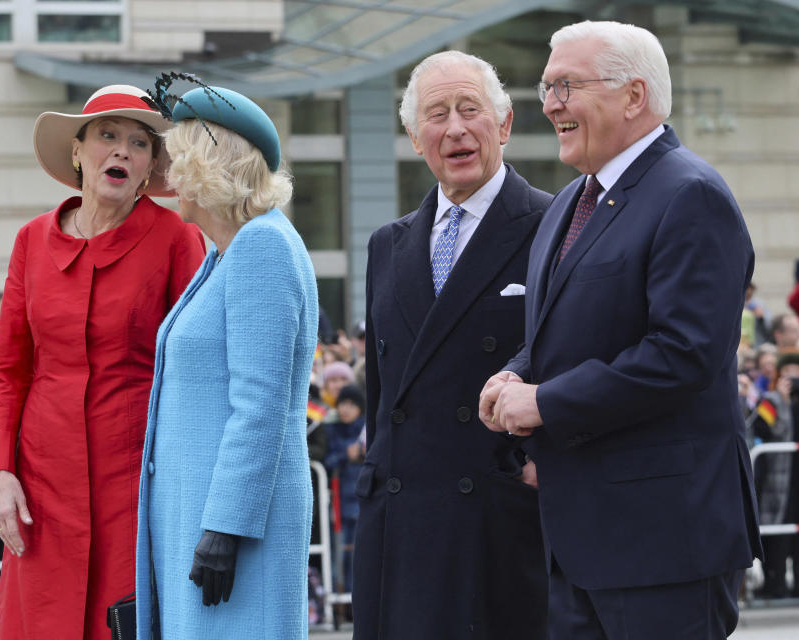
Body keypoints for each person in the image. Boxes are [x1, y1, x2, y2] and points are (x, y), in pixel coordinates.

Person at [479, 21, 761, 639]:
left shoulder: (690, 193)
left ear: (633, 96)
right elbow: (565, 330)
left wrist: (544, 402)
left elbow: (683, 355)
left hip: (663, 541)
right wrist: (518, 373)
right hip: (579, 539)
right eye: (546, 87)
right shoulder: (570, 203)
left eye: (565, 86)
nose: (549, 103)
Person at [0, 84, 206, 639]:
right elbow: (10, 370)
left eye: (138, 143)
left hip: (133, 482)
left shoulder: (178, 238)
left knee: (122, 623)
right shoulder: (31, 241)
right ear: (78, 152)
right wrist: (1, 472)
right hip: (40, 483)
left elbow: (196, 369)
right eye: (107, 136)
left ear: (151, 164)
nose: (122, 152)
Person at [354, 50, 550, 640]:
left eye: (471, 109)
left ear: (505, 125)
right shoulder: (388, 244)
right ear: (416, 137)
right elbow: (382, 397)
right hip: (399, 520)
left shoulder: (555, 225)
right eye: (437, 115)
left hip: (498, 517)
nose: (456, 128)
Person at [135, 84, 317, 640]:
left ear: (204, 165)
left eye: (175, 153)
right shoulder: (227, 252)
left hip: (233, 532)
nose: (163, 167)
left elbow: (259, 406)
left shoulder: (261, 247)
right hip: (204, 520)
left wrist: (225, 527)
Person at [749, 351, 799, 598]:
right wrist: (781, 401)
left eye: (797, 372)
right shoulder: (770, 399)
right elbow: (768, 430)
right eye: (787, 373)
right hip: (778, 477)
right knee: (778, 531)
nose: (793, 378)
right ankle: (776, 583)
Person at [323, 383, 366, 594]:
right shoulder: (331, 430)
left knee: (361, 552)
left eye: (351, 404)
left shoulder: (367, 430)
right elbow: (327, 461)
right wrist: (345, 457)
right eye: (342, 404)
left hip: (361, 502)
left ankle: (356, 597)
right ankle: (340, 598)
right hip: (339, 503)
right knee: (339, 551)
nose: (346, 409)